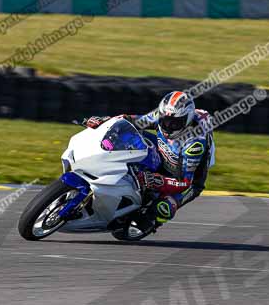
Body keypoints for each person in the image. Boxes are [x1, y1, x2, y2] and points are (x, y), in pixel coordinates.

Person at [83, 90, 215, 229]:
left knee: (163, 208)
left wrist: (157, 180)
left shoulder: (194, 145)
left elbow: (185, 183)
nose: (168, 127)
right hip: (165, 151)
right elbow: (129, 120)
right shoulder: (162, 115)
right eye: (165, 121)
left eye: (174, 124)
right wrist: (104, 121)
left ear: (186, 121)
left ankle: (149, 221)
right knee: (130, 138)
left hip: (186, 179)